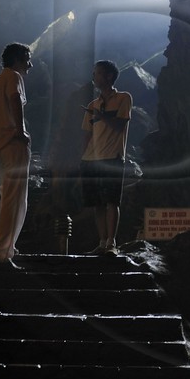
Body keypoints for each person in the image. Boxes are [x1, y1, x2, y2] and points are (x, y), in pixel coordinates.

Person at [0, 42, 32, 267]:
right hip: (12, 143)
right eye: (28, 59)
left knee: (6, 195)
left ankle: (7, 246)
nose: (30, 64)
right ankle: (2, 252)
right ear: (18, 60)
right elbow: (14, 100)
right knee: (16, 198)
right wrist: (20, 132)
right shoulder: (14, 77)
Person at [80, 59, 132, 253]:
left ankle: (112, 242)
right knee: (97, 203)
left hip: (113, 157)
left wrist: (101, 116)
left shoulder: (123, 98)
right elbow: (87, 134)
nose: (94, 76)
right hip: (91, 159)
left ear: (109, 76)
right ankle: (102, 242)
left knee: (112, 201)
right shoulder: (93, 104)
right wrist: (81, 158)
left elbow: (120, 124)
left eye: (98, 73)